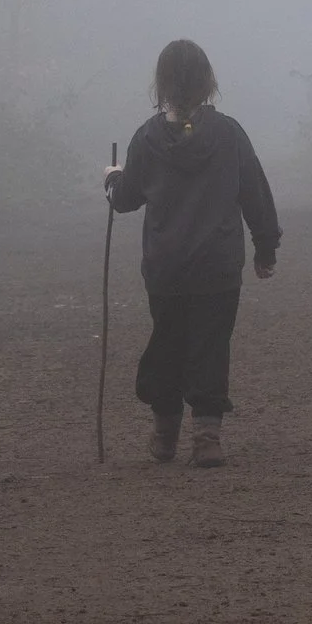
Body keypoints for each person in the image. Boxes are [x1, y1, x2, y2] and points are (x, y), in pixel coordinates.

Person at [103, 39, 281, 467]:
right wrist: (265, 245)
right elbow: (255, 192)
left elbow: (126, 199)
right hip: (218, 266)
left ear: (162, 84)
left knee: (167, 343)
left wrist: (112, 180)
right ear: (207, 82)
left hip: (166, 266)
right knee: (210, 345)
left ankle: (165, 436)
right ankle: (207, 437)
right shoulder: (230, 134)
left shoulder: (146, 139)